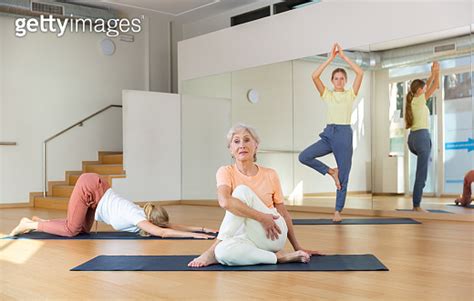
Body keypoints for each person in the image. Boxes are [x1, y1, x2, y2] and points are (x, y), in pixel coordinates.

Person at [188, 123, 321, 268]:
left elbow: (283, 212)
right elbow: (224, 201)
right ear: (231, 150)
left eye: (247, 140)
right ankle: (278, 257)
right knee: (223, 254)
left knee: (241, 191)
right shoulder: (225, 171)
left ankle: (211, 250)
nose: (242, 145)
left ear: (256, 146)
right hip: (246, 236)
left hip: (273, 231)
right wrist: (261, 217)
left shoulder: (270, 174)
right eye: (236, 141)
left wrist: (297, 246)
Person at [9, 173, 216, 238]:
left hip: (98, 192)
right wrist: (197, 236)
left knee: (82, 229)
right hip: (89, 188)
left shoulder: (143, 214)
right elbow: (163, 233)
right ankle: (29, 224)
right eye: (156, 226)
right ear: (152, 222)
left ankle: (43, 222)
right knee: (72, 230)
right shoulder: (137, 217)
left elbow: (170, 227)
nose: (157, 229)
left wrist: (203, 228)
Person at [298, 43, 364, 222]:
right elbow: (314, 76)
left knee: (344, 175)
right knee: (304, 156)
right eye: (336, 78)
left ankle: (337, 211)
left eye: (342, 78)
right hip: (329, 133)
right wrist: (330, 59)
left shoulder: (350, 94)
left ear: (346, 81)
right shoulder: (327, 94)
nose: (340, 81)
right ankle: (330, 172)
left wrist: (344, 57)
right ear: (332, 81)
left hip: (344, 134)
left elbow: (360, 73)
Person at [405, 61, 440, 212]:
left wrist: (436, 73)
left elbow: (434, 84)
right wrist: (434, 73)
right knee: (422, 173)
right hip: (421, 137)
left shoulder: (413, 100)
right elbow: (432, 83)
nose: (427, 90)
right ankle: (416, 205)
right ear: (419, 90)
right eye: (424, 88)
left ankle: (416, 203)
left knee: (421, 171)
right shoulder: (419, 99)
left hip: (413, 138)